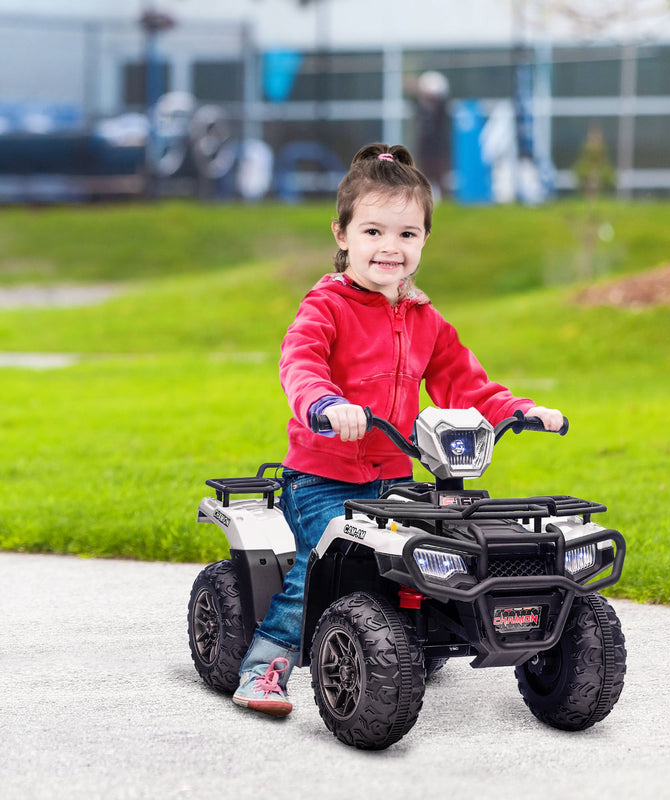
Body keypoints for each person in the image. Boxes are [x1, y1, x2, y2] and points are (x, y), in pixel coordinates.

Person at [232, 142, 563, 717]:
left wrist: (516, 410)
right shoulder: (325, 307)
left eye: (407, 234)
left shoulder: (425, 319)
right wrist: (323, 402)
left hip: (391, 477)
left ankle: (419, 641)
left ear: (425, 241)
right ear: (342, 234)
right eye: (374, 232)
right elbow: (300, 362)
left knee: (436, 548)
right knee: (318, 563)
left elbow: (464, 384)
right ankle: (265, 666)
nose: (390, 247)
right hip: (322, 478)